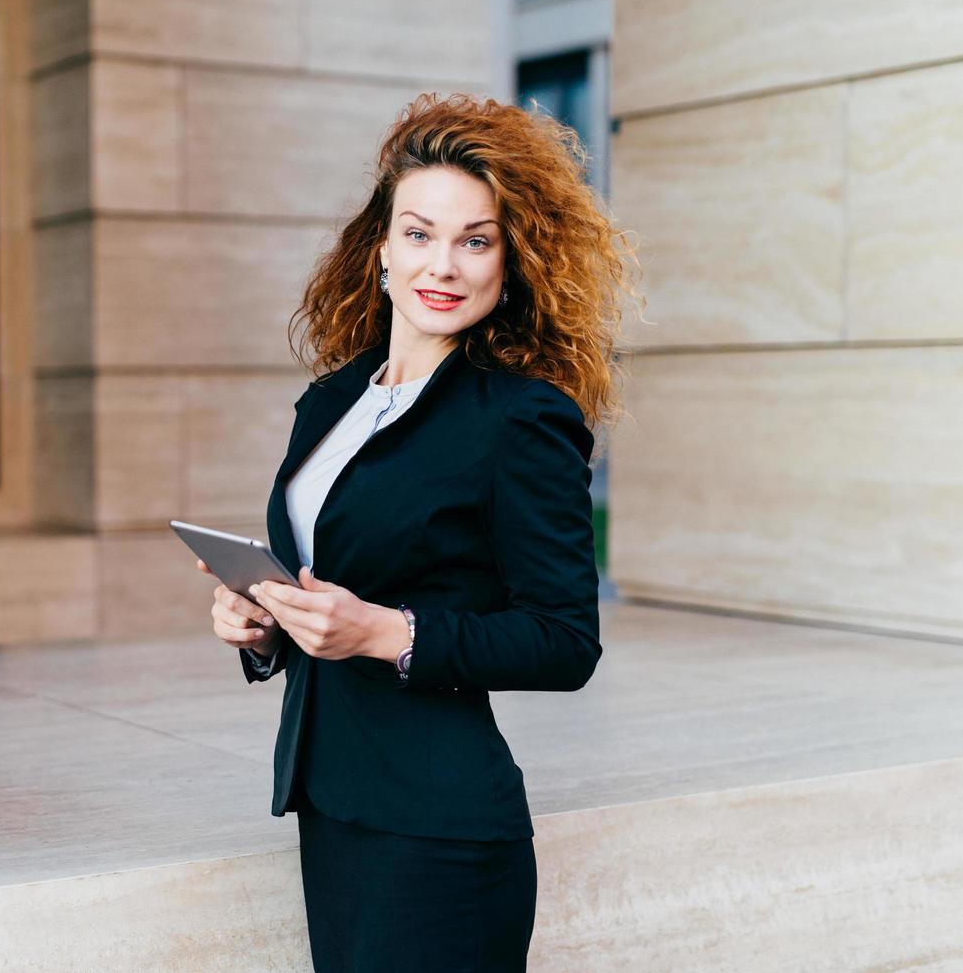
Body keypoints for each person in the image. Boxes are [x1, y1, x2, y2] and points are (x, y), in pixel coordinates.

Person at [195, 92, 640, 972]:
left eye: (477, 240)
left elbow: (564, 642)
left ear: (512, 264)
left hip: (442, 833)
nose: (445, 263)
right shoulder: (331, 402)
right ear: (383, 249)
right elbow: (329, 575)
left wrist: (385, 632)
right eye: (419, 233)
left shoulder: (521, 418)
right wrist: (263, 624)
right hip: (334, 805)